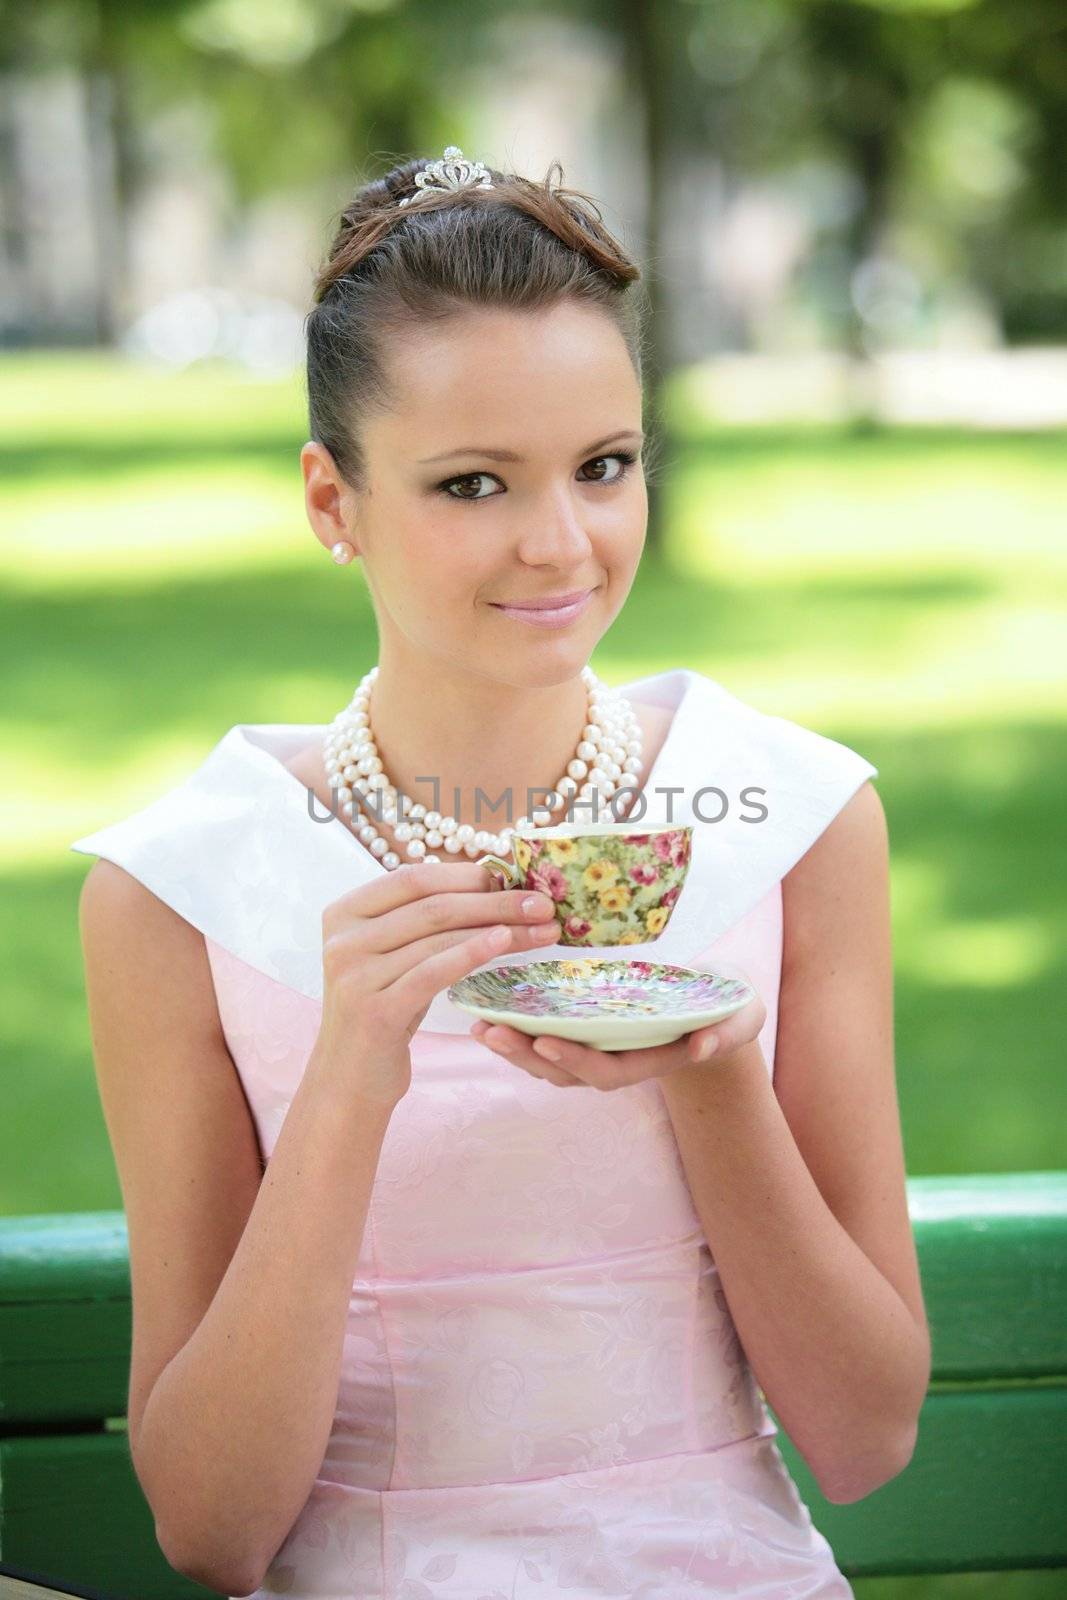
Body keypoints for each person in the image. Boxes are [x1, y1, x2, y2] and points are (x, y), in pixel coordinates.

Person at [71, 146, 930, 1598]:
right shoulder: (182, 893)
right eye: (474, 483)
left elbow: (862, 1437)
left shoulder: (791, 823)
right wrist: (349, 1073)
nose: (561, 545)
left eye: (604, 466)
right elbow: (211, 1535)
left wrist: (715, 1072)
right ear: (331, 503)